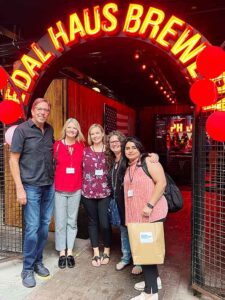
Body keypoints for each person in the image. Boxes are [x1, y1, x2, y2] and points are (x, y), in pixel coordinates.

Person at [9, 98, 54, 288]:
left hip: (48, 185)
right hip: (31, 186)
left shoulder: (50, 129)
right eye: (40, 109)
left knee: (44, 226)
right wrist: (19, 188)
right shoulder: (22, 130)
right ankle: (27, 268)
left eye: (46, 110)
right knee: (32, 228)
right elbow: (13, 160)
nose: (43, 112)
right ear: (33, 111)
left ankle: (37, 261)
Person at [106, 131, 159, 275]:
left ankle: (140, 261)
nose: (115, 144)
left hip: (132, 201)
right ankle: (126, 257)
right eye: (112, 142)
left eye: (117, 141)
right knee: (124, 229)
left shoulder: (129, 157)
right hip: (118, 201)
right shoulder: (111, 160)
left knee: (136, 231)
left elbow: (145, 156)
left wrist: (154, 156)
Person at [123, 137, 168, 300]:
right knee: (147, 252)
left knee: (147, 253)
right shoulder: (128, 166)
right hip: (138, 218)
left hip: (152, 214)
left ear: (140, 148)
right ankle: (154, 282)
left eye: (134, 147)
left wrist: (149, 205)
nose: (130, 150)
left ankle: (150, 293)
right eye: (127, 148)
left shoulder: (149, 161)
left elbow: (161, 183)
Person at [54, 118, 85, 269]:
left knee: (72, 222)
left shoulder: (82, 147)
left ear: (78, 130)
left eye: (75, 128)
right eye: (69, 127)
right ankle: (62, 252)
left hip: (76, 189)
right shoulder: (57, 146)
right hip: (59, 189)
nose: (72, 130)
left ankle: (70, 251)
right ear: (65, 129)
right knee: (60, 222)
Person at [82, 124, 111, 267]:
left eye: (97, 133)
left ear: (102, 133)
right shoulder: (85, 151)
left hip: (105, 193)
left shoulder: (109, 151)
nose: (95, 136)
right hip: (88, 193)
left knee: (105, 223)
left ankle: (107, 250)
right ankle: (96, 253)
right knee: (92, 222)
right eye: (92, 134)